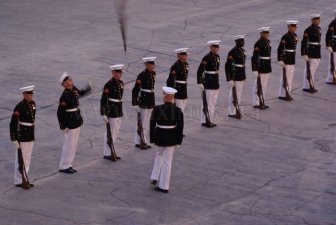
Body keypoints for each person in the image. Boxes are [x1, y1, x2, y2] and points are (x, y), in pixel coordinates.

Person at [149, 87, 184, 193]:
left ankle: (155, 177)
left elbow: (152, 125)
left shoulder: (157, 109)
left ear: (165, 97)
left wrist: (152, 138)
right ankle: (164, 186)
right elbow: (180, 127)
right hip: (171, 138)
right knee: (167, 162)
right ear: (173, 98)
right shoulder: (177, 111)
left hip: (159, 136)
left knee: (159, 155)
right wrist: (179, 141)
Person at [57, 72, 91, 174]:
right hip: (69, 122)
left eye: (70, 79)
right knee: (69, 144)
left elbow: (80, 93)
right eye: (68, 80)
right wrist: (63, 126)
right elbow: (60, 113)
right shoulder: (64, 96)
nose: (71, 81)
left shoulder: (73, 89)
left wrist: (88, 88)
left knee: (73, 144)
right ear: (64, 84)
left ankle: (69, 164)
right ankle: (63, 165)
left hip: (76, 119)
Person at [10, 85, 36, 189]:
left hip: (30, 133)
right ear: (24, 94)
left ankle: (24, 177)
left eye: (31, 94)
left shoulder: (32, 104)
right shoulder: (19, 107)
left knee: (27, 157)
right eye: (29, 94)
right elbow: (13, 124)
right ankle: (18, 180)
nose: (31, 96)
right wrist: (14, 138)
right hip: (23, 135)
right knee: (20, 158)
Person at [132, 57, 156, 150]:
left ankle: (144, 140)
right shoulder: (141, 75)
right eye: (150, 64)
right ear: (146, 65)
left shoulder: (153, 73)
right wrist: (135, 103)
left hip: (150, 99)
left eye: (153, 64)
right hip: (144, 99)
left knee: (147, 122)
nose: (152, 66)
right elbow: (135, 90)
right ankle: (138, 141)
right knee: (141, 122)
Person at [101, 64, 124, 161]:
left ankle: (112, 151)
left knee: (115, 131)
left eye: (120, 72)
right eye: (118, 72)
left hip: (119, 109)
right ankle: (107, 153)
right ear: (113, 73)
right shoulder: (108, 84)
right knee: (110, 132)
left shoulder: (121, 82)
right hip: (112, 110)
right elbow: (103, 100)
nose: (120, 74)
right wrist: (103, 113)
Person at [197, 40, 221, 127]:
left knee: (213, 102)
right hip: (209, 82)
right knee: (207, 102)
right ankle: (204, 120)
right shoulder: (206, 58)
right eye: (215, 47)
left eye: (217, 47)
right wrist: (200, 82)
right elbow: (200, 70)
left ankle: (210, 119)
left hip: (215, 82)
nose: (216, 48)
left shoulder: (217, 56)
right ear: (210, 47)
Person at [225, 34, 246, 118]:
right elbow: (227, 66)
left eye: (243, 41)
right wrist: (229, 79)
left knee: (239, 93)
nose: (242, 42)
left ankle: (237, 108)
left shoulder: (242, 50)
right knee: (233, 94)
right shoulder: (232, 52)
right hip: (235, 74)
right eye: (240, 41)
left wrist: (244, 76)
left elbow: (242, 64)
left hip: (241, 74)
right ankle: (231, 111)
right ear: (236, 42)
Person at [277, 20, 299, 101]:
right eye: (292, 27)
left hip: (292, 58)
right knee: (284, 77)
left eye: (295, 27)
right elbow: (280, 49)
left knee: (290, 77)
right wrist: (280, 59)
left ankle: (288, 92)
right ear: (289, 27)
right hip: (286, 58)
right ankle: (282, 94)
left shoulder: (295, 35)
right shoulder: (285, 37)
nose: (294, 28)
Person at [252, 27, 272, 109]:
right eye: (264, 33)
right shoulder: (258, 43)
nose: (266, 34)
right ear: (261, 34)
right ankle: (256, 102)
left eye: (267, 33)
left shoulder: (268, 42)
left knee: (264, 85)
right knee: (258, 85)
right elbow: (254, 57)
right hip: (261, 66)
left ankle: (262, 100)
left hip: (267, 65)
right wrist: (254, 69)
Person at [301, 14, 321, 92]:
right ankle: (307, 86)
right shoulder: (308, 30)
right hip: (311, 51)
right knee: (309, 69)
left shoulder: (319, 28)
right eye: (315, 19)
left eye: (318, 19)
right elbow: (304, 42)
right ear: (312, 20)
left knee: (313, 68)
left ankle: (310, 85)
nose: (317, 21)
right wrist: (304, 53)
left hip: (317, 50)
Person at [166, 48, 189, 113]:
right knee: (178, 108)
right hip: (178, 90)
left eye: (186, 55)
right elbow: (170, 80)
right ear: (178, 55)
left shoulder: (186, 64)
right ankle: (177, 122)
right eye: (183, 55)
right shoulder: (175, 66)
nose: (185, 56)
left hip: (184, 90)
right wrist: (170, 93)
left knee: (182, 108)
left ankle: (180, 122)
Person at [325, 10, 336, 84]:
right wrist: (328, 45)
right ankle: (330, 78)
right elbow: (328, 35)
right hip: (334, 45)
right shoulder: (333, 23)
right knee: (332, 62)